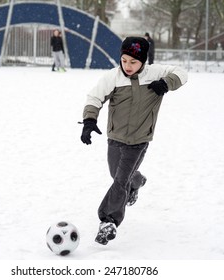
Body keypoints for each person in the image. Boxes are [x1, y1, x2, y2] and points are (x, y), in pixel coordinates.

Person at [80, 37, 188, 245]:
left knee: (120, 181)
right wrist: (89, 121)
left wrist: (166, 83)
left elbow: (182, 74)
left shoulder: (155, 74)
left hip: (139, 140)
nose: (127, 66)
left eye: (133, 62)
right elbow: (94, 97)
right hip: (115, 137)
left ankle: (108, 221)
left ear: (143, 61)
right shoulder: (113, 77)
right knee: (118, 175)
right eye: (124, 60)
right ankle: (137, 181)